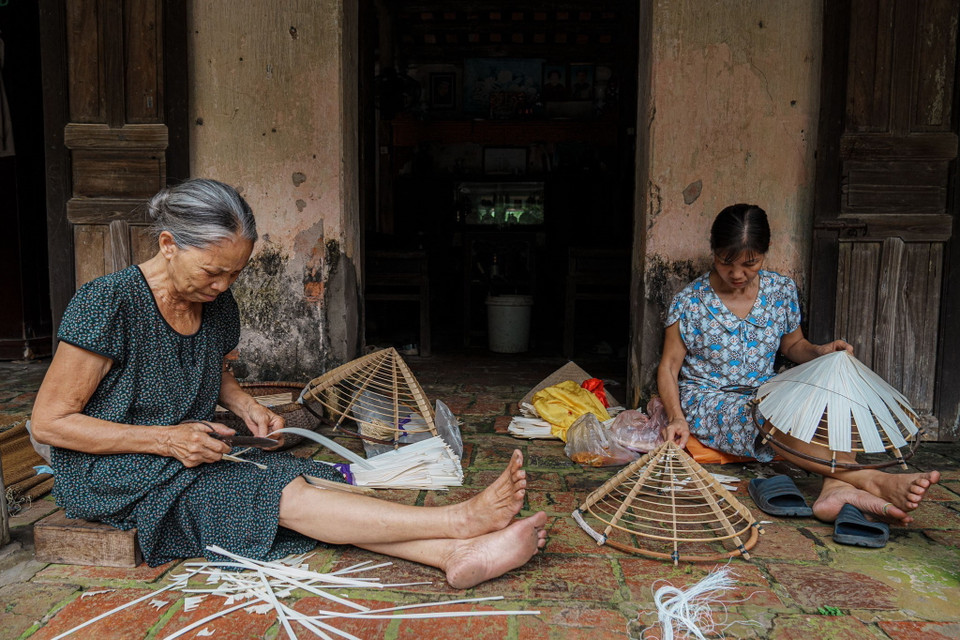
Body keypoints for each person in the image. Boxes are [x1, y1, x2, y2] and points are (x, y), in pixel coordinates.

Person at [31, 178, 546, 588]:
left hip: (181, 455)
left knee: (298, 478)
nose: (222, 286)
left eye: (235, 274)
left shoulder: (215, 305)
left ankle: (452, 555)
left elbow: (214, 367)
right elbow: (51, 423)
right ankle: (459, 523)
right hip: (114, 475)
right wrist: (165, 439)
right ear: (169, 244)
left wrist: (241, 403)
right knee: (275, 490)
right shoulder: (108, 303)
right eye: (213, 271)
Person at [657, 203, 940, 526]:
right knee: (764, 416)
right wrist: (677, 417)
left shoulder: (780, 291)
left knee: (829, 392)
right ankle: (870, 479)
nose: (737, 274)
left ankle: (834, 488)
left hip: (767, 389)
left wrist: (821, 352)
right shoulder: (690, 301)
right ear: (714, 251)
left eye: (750, 263)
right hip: (711, 398)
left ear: (765, 253)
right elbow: (669, 367)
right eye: (726, 262)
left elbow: (793, 346)